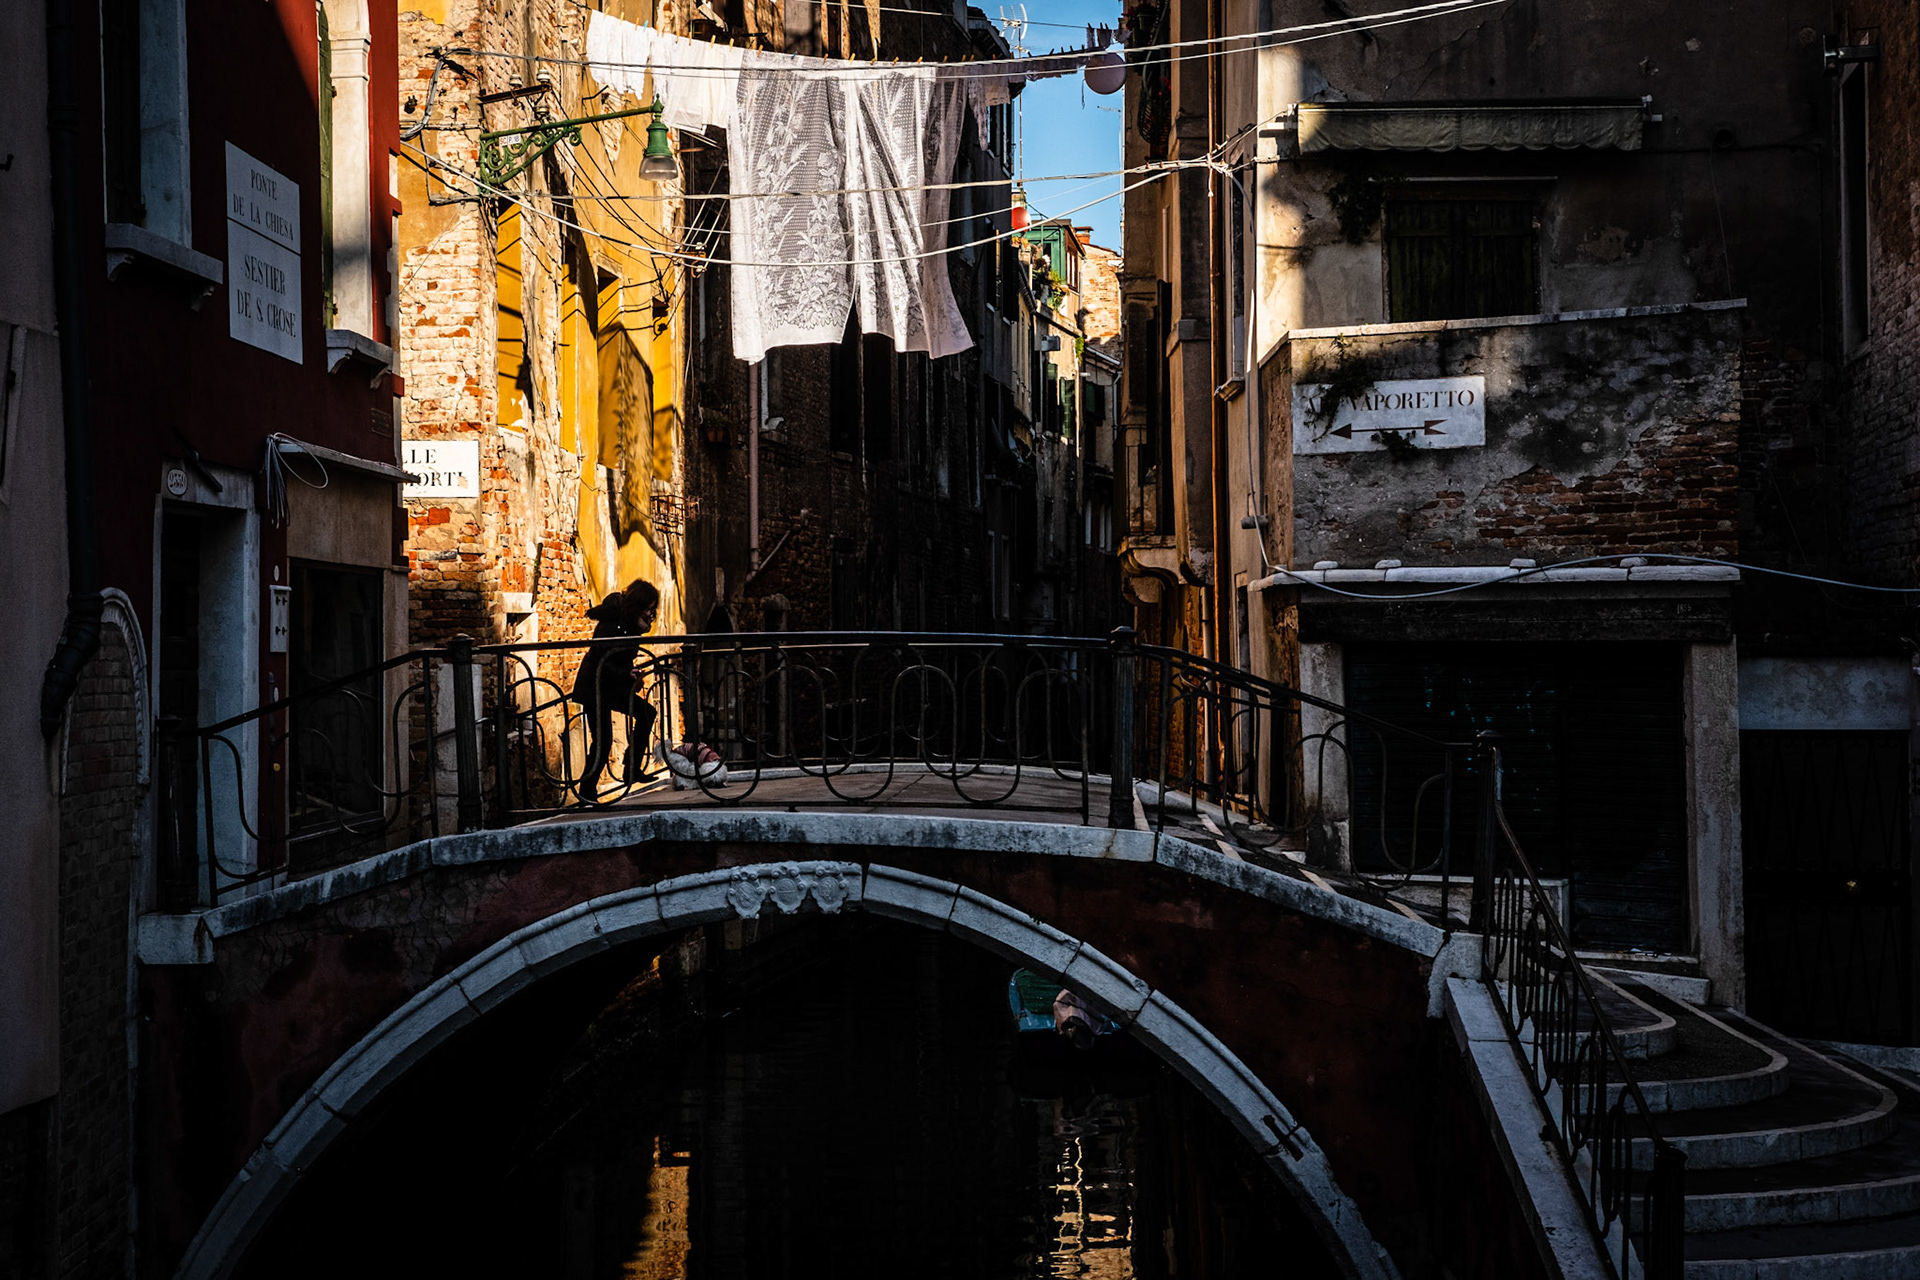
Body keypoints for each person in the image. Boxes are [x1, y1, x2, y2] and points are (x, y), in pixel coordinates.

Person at [569, 580, 660, 801]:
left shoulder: (631, 623)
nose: (651, 613)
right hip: (595, 686)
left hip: (612, 685)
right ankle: (587, 792)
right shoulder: (613, 620)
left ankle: (631, 769)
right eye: (649, 607)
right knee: (603, 741)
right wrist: (625, 674)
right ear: (639, 604)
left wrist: (630, 674)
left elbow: (621, 658)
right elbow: (602, 657)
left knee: (647, 713)